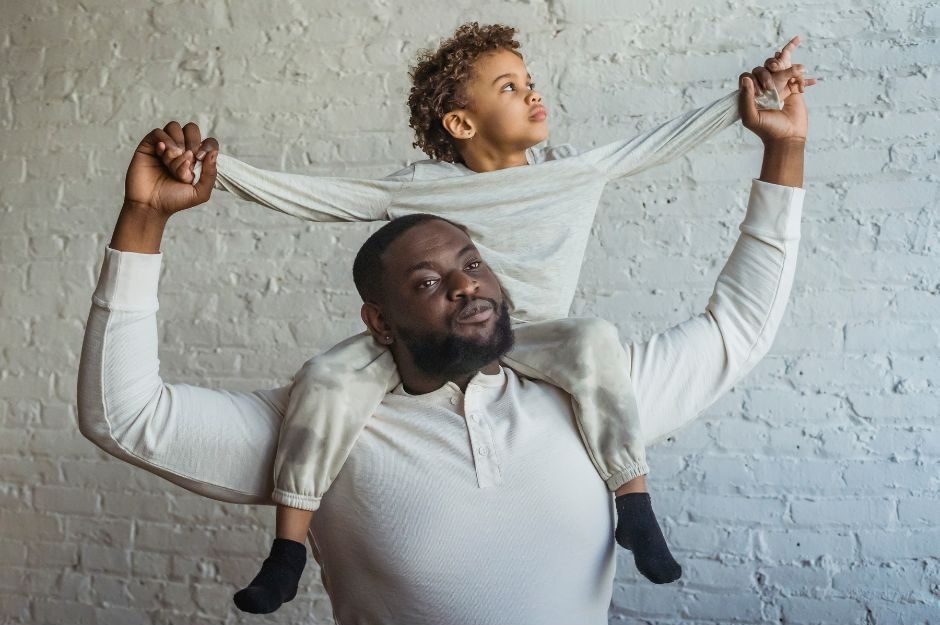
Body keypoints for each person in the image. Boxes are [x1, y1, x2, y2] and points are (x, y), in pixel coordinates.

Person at [77, 60, 808, 624]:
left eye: (472, 264)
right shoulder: (322, 422)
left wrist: (784, 151)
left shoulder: (591, 390)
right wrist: (144, 218)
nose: (464, 285)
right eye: (426, 282)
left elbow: (738, 327)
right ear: (380, 323)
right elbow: (125, 415)